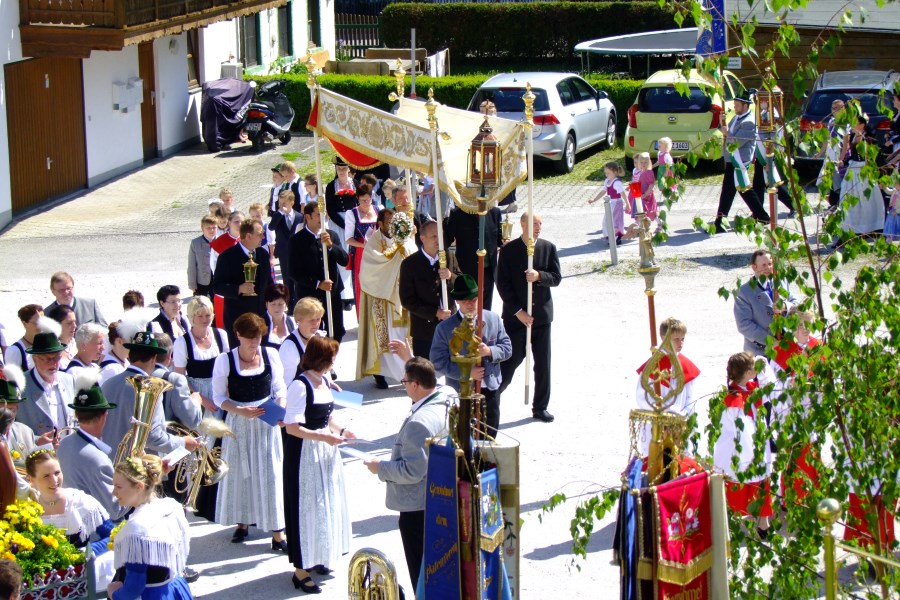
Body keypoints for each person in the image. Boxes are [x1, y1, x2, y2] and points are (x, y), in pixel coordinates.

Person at [364, 358, 450, 591]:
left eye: (404, 382)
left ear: (415, 385)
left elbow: (412, 471)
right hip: (442, 499)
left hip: (417, 507)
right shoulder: (447, 395)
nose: (403, 386)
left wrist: (379, 468)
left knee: (421, 570)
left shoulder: (418, 424)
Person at [282, 336, 352, 594]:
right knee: (306, 507)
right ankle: (300, 571)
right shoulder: (300, 386)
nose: (334, 362)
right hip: (305, 454)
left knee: (325, 504)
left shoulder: (323, 380)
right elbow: (292, 428)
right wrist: (323, 436)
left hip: (325, 450)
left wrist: (343, 429)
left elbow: (328, 416)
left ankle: (319, 554)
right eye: (332, 357)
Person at [211, 313, 286, 548]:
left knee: (271, 473)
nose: (255, 342)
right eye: (250, 337)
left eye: (258, 337)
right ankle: (242, 523)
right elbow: (219, 397)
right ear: (238, 336)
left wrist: (279, 410)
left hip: (265, 421)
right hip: (239, 422)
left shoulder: (270, 354)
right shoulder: (224, 360)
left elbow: (279, 387)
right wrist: (239, 410)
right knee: (241, 473)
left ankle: (277, 532)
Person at [497, 213, 561, 423]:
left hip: (541, 317)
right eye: (534, 223)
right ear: (523, 224)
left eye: (540, 223)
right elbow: (503, 284)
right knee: (510, 359)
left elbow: (556, 277)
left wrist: (540, 276)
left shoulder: (548, 247)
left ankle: (540, 406)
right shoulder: (508, 251)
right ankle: (492, 395)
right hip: (516, 318)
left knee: (543, 363)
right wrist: (518, 312)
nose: (538, 227)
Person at [431, 275, 512, 435]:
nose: (470, 304)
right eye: (464, 300)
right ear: (457, 301)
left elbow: (507, 348)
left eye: (473, 299)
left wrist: (490, 351)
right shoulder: (445, 328)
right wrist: (467, 373)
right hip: (460, 392)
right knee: (463, 438)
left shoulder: (493, 318)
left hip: (489, 388)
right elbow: (437, 361)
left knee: (489, 435)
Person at [101, 327, 198, 459]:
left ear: (130, 355)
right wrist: (183, 442)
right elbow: (154, 437)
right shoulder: (150, 388)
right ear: (154, 358)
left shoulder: (108, 384)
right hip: (133, 469)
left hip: (107, 463)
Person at [108, 454, 193, 600]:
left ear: (139, 487)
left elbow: (134, 587)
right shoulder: (171, 506)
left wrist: (114, 593)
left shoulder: (138, 528)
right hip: (173, 589)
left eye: (118, 487)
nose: (114, 492)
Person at [25, 448, 115, 575]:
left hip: (78, 578)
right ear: (31, 479)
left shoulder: (80, 501)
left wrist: (84, 553)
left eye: (57, 473)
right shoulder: (27, 510)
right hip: (40, 582)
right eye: (46, 476)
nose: (54, 480)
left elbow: (112, 536)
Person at [713, 351, 773, 536]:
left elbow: (770, 386)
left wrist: (762, 366)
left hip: (755, 447)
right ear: (747, 372)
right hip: (743, 453)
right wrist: (752, 456)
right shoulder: (735, 402)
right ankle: (732, 525)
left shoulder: (748, 388)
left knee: (761, 485)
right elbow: (743, 434)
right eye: (754, 367)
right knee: (745, 486)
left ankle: (764, 523)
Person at [357, 208, 418, 388]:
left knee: (404, 335)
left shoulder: (406, 240)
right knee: (383, 336)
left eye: (395, 222)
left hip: (403, 297)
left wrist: (403, 246)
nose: (393, 226)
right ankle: (380, 373)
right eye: (389, 222)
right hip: (382, 298)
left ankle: (407, 371)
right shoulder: (373, 243)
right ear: (380, 224)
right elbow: (371, 267)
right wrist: (392, 256)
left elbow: (413, 258)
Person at [57, 369, 127, 520]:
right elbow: (116, 510)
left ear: (76, 414)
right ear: (104, 416)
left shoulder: (64, 444)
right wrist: (140, 484)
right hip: (96, 536)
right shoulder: (98, 460)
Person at [634, 318, 701, 455]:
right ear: (663, 338)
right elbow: (642, 396)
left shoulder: (686, 366)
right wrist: (662, 414)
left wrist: (681, 416)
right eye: (676, 339)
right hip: (656, 422)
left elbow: (691, 398)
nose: (680, 343)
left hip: (679, 422)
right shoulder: (653, 366)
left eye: (682, 339)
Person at [399, 220, 461, 359]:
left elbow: (462, 284)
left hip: (451, 325)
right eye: (434, 236)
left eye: (440, 235)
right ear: (422, 238)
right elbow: (407, 300)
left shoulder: (448, 256)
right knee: (425, 372)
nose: (438, 240)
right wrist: (434, 313)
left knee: (454, 370)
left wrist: (451, 277)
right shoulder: (410, 264)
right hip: (424, 329)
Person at [289, 202, 349, 342]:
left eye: (323, 214)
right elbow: (294, 271)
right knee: (312, 333)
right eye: (318, 214)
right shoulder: (297, 240)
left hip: (332, 294)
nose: (322, 217)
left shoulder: (331, 235)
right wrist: (317, 284)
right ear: (308, 217)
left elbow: (344, 260)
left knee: (336, 331)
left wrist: (331, 246)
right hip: (310, 295)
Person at [713, 92, 770, 232]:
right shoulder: (736, 118)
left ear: (745, 105)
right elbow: (727, 133)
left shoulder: (749, 122)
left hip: (739, 161)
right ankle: (761, 215)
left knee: (733, 190)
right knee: (738, 190)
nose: (734, 106)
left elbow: (737, 142)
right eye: (734, 104)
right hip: (732, 160)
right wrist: (722, 123)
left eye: (737, 105)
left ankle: (720, 221)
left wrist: (726, 133)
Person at [213, 218, 274, 346]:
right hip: (238, 318)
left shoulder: (262, 254)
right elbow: (217, 286)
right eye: (260, 234)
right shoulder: (227, 256)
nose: (263, 237)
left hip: (260, 316)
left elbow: (268, 282)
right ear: (248, 236)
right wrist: (238, 289)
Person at [173, 296, 229, 415]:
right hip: (197, 396)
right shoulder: (182, 343)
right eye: (200, 316)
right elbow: (180, 378)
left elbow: (228, 367)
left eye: (208, 315)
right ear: (192, 317)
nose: (205, 319)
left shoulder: (221, 335)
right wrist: (202, 399)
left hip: (221, 392)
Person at [734, 249, 797, 354]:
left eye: (770, 264)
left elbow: (796, 303)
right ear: (754, 267)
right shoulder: (744, 291)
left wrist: (786, 306)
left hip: (786, 345)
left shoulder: (781, 281)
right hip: (760, 350)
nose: (768, 268)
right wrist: (770, 341)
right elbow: (743, 324)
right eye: (763, 265)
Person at [444, 202, 502, 310]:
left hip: (488, 271)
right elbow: (446, 240)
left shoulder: (495, 212)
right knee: (469, 308)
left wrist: (505, 243)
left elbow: (499, 240)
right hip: (467, 271)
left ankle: (484, 327)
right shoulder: (458, 214)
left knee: (485, 309)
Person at [18, 331, 76, 436]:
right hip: (38, 450)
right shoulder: (21, 385)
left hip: (66, 448)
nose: (53, 363)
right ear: (35, 358)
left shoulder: (69, 380)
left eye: (57, 358)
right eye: (47, 359)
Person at [837, 113, 884, 236]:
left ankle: (869, 228)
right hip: (852, 170)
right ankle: (850, 227)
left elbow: (877, 158)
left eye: (855, 123)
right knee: (847, 199)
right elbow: (852, 155)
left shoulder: (869, 140)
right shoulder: (852, 136)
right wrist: (843, 161)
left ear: (862, 125)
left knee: (865, 200)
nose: (852, 125)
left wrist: (880, 177)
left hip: (864, 172)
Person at [324, 156, 357, 310]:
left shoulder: (354, 184)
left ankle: (353, 294)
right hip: (338, 224)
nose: (342, 171)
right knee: (341, 257)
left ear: (349, 169)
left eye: (344, 168)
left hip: (353, 223)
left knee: (353, 257)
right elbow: (330, 209)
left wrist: (353, 223)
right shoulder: (331, 186)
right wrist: (344, 224)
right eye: (339, 169)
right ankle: (343, 295)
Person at [152, 334, 203, 431]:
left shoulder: (132, 376)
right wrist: (196, 401)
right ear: (170, 354)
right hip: (166, 441)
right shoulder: (176, 379)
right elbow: (191, 421)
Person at [344, 181, 380, 316]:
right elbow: (348, 239)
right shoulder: (352, 214)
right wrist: (364, 245)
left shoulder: (378, 210)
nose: (366, 203)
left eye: (369, 199)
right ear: (357, 199)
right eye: (363, 200)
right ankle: (363, 318)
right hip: (361, 252)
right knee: (362, 284)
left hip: (378, 251)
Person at [278, 297, 326, 387]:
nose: (316, 323)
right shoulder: (289, 347)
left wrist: (328, 382)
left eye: (318, 319)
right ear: (298, 320)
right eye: (311, 320)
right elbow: (286, 384)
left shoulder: (320, 337)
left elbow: (324, 371)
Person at [269, 189, 302, 299]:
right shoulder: (278, 216)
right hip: (283, 253)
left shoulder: (299, 217)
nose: (281, 205)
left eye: (284, 203)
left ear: (292, 202)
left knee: (297, 278)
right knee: (286, 279)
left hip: (297, 252)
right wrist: (280, 213)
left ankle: (298, 299)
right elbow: (271, 227)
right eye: (280, 203)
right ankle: (289, 303)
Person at [816, 99, 847, 209]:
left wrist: (842, 159)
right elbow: (827, 139)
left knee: (837, 180)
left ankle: (837, 203)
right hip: (830, 153)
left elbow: (846, 143)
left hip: (838, 153)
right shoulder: (831, 121)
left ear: (843, 108)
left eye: (836, 108)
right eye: (832, 108)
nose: (833, 111)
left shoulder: (845, 123)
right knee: (823, 180)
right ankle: (832, 203)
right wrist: (820, 152)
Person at [588, 161, 629, 243]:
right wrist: (594, 199)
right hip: (610, 203)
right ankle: (611, 236)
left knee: (614, 220)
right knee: (607, 221)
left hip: (617, 203)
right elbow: (603, 191)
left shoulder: (617, 182)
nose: (606, 175)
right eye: (606, 173)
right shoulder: (607, 181)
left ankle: (617, 237)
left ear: (615, 172)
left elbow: (623, 193)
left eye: (608, 173)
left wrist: (628, 204)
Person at [3, 304, 43, 371]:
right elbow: (12, 380)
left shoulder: (49, 344)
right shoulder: (14, 350)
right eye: (37, 323)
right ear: (25, 324)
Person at [187, 216, 217, 299]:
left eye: (214, 227)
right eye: (208, 228)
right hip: (202, 281)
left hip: (218, 280)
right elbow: (192, 265)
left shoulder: (221, 241)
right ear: (202, 228)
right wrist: (192, 284)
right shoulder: (195, 243)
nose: (211, 230)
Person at [262, 284, 296, 349]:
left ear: (286, 304)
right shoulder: (259, 324)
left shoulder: (294, 322)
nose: (276, 308)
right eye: (273, 304)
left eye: (280, 304)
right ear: (266, 304)